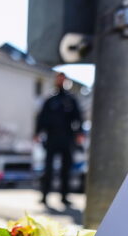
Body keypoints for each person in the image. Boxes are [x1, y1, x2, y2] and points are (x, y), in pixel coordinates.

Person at [34, 72, 84, 206]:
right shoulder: (50, 99)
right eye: (58, 78)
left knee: (66, 169)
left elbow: (78, 117)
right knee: (48, 168)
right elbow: (42, 118)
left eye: (63, 79)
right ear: (56, 81)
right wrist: (37, 133)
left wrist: (79, 133)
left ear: (66, 81)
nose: (61, 81)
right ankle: (44, 195)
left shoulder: (71, 99)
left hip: (67, 138)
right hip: (51, 138)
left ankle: (64, 196)